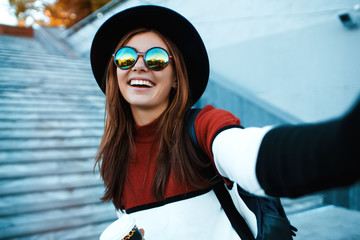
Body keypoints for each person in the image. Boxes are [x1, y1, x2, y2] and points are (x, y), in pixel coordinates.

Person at [90, 5, 360, 239]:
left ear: (175, 79)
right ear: (115, 71)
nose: (138, 66)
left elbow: (251, 154)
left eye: (156, 59)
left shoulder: (205, 126)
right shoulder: (113, 160)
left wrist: (343, 143)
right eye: (126, 57)